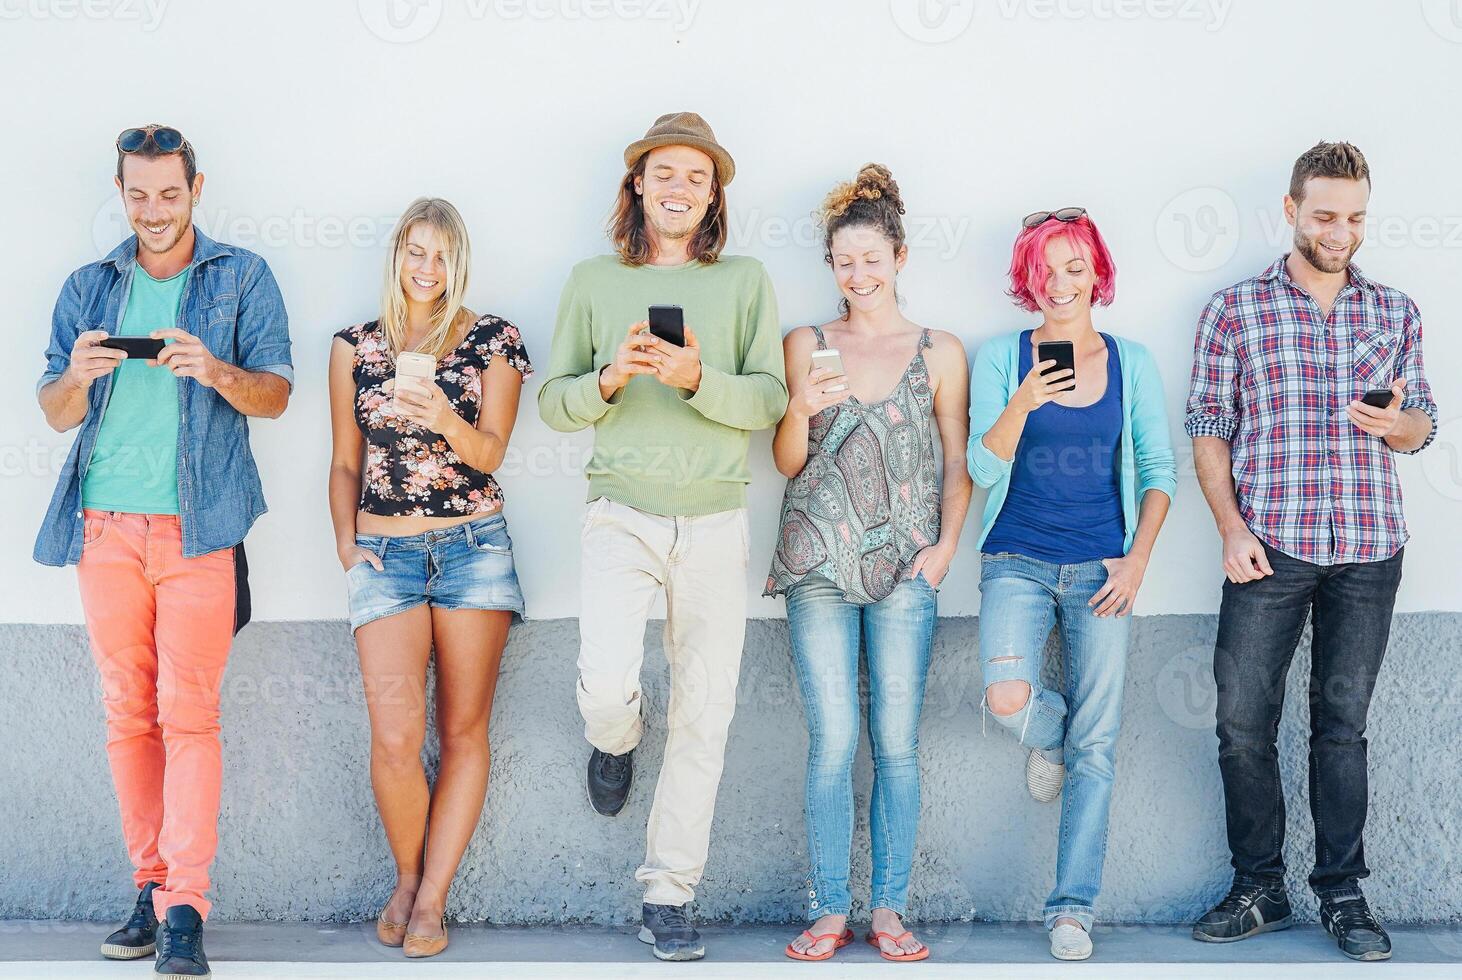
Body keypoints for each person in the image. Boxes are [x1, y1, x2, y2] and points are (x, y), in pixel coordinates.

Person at [35, 124, 293, 979]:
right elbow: (55, 411)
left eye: (169, 193)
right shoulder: (88, 287)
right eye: (138, 193)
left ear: (197, 188)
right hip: (103, 529)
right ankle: (148, 889)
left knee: (192, 718)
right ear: (121, 190)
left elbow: (278, 394)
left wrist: (215, 370)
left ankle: (186, 904)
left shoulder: (241, 276)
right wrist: (77, 376)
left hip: (197, 532)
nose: (153, 210)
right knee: (127, 719)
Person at [537, 111, 787, 961]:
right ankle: (614, 741)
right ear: (637, 183)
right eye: (665, 173)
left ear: (712, 193)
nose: (680, 188)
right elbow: (553, 402)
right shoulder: (592, 280)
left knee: (704, 714)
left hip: (716, 521)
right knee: (607, 686)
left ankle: (669, 894)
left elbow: (769, 402)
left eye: (696, 176)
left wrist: (695, 379)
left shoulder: (746, 280)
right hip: (621, 514)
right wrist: (609, 379)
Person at [1186, 142, 1437, 963]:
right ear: (1291, 210)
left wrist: (1396, 424)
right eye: (1326, 214)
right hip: (1269, 548)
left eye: (1356, 216)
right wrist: (1230, 527)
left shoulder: (1395, 312)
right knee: (1240, 724)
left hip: (1369, 549)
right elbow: (1210, 429)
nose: (1341, 231)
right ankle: (1259, 886)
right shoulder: (1235, 310)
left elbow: (1422, 427)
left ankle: (1343, 893)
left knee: (1342, 728)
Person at [767, 165, 971, 963]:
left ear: (900, 256)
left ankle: (888, 911)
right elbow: (787, 462)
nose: (859, 275)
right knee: (833, 741)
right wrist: (799, 409)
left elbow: (958, 460)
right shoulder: (806, 345)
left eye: (872, 260)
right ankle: (827, 910)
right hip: (816, 566)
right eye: (845, 263)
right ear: (831, 266)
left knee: (896, 744)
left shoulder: (940, 351)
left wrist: (945, 550)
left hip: (904, 573)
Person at [967, 208, 1175, 961]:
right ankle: (1049, 736)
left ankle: (1072, 909)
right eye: (1045, 270)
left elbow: (1159, 472)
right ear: (1028, 277)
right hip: (1015, 559)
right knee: (1006, 697)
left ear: (1097, 273)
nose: (1060, 283)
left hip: (1102, 569)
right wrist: (1023, 400)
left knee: (1100, 744)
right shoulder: (1000, 357)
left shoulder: (1133, 361)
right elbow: (982, 469)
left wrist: (1139, 559)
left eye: (1074, 267)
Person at [328, 197, 532, 959]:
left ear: (460, 261)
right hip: (385, 556)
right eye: (416, 251)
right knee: (395, 737)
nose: (427, 268)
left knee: (462, 731)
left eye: (442, 254)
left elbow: (490, 452)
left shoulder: (492, 339)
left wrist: (444, 413)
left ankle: (432, 900)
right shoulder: (353, 346)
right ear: (397, 255)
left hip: (474, 549)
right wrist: (347, 547)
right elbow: (346, 461)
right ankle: (408, 876)